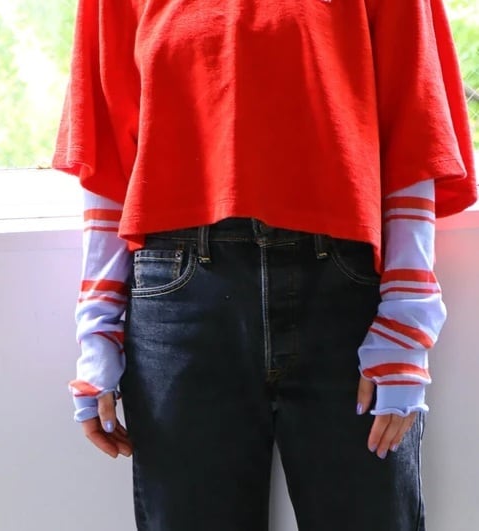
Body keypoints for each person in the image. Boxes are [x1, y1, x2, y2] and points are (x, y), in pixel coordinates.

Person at [53, 1, 477, 529]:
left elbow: (414, 128)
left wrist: (407, 327)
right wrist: (97, 334)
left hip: (344, 294)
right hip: (179, 300)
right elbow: (109, 154)